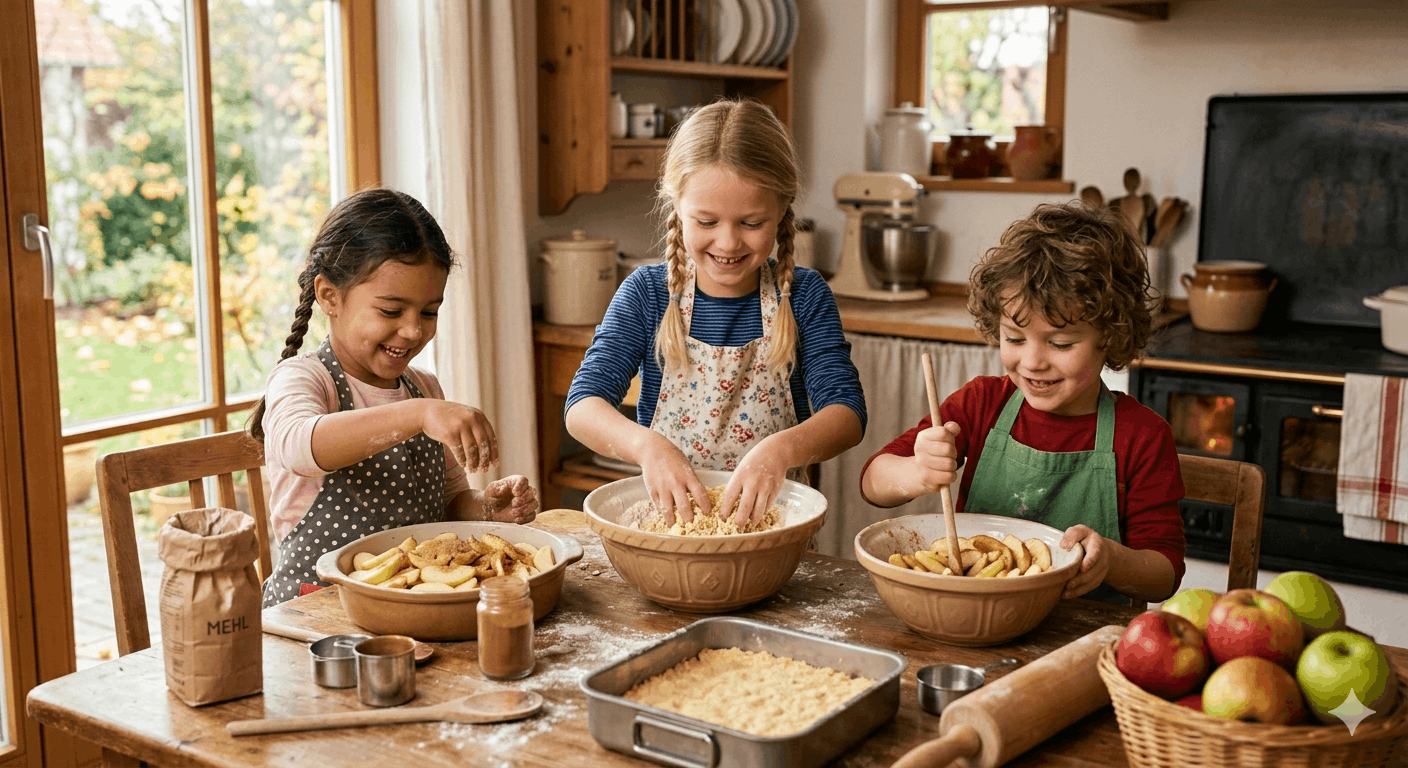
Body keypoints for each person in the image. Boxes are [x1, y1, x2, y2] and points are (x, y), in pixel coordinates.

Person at [859, 202, 1185, 605]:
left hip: (1082, 641)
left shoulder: (1143, 436)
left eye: (1061, 343)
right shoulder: (982, 404)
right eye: (1014, 338)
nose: (1032, 362)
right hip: (976, 618)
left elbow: (1165, 574)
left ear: (1111, 336)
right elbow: (873, 482)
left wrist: (1112, 562)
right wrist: (916, 471)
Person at [566, 99, 866, 527]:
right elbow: (582, 406)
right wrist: (646, 446)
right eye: (706, 222)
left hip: (771, 531)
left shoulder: (802, 297)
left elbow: (847, 413)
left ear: (781, 209)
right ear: (677, 208)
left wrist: (781, 450)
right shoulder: (648, 294)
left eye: (750, 223)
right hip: (673, 530)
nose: (728, 243)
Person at [249, 188, 538, 607]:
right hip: (312, 616)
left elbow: (446, 502)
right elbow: (300, 446)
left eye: (428, 311)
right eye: (390, 311)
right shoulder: (305, 379)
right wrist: (418, 414)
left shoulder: (425, 388)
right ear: (330, 296)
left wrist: (485, 508)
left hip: (406, 610)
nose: (413, 331)